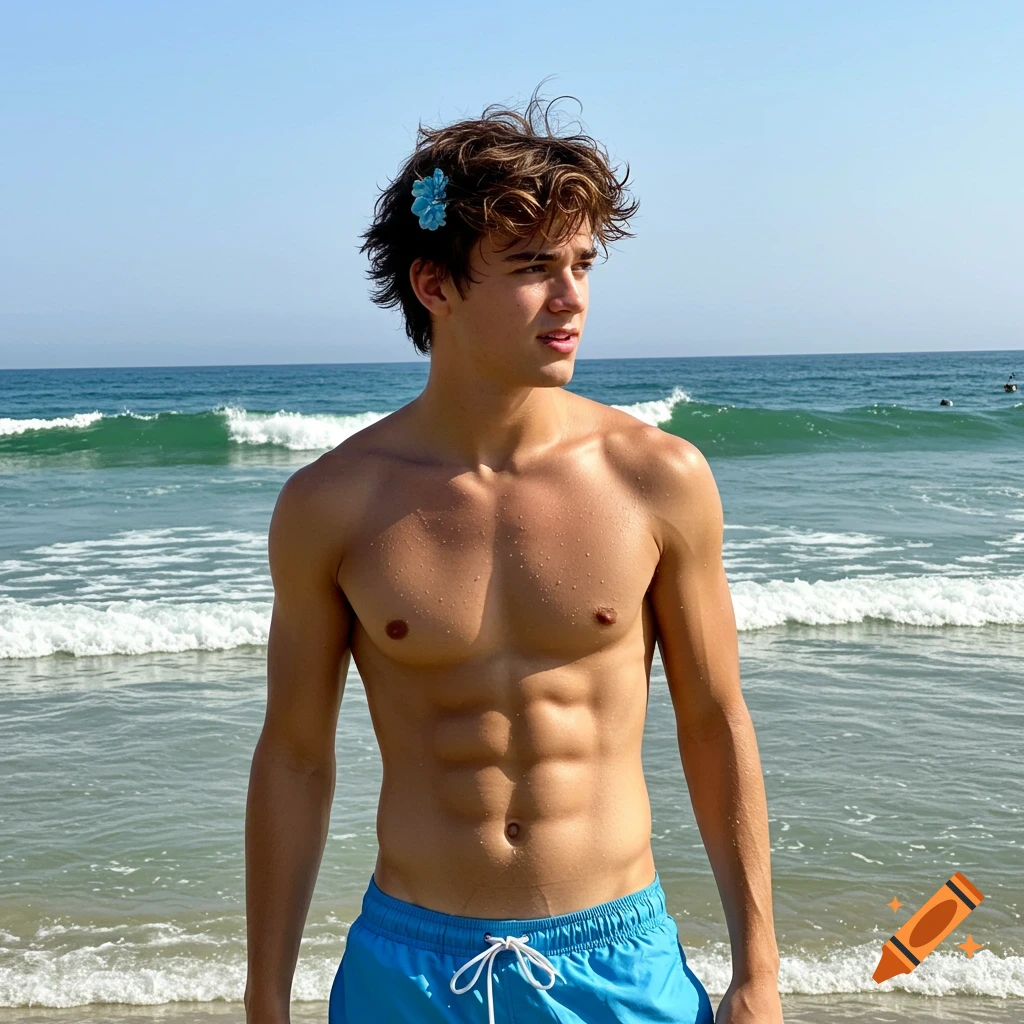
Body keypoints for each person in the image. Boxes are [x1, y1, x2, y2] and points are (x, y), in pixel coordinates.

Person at [244, 94, 784, 1024]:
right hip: (408, 969)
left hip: (618, 960)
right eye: (534, 268)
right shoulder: (333, 504)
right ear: (436, 285)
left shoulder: (656, 478)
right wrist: (265, 1000)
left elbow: (715, 719)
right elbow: (295, 758)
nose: (570, 297)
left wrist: (758, 973)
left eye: (580, 265)